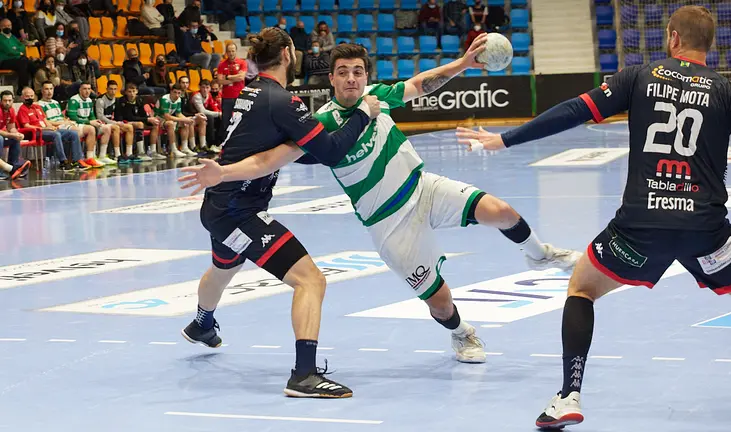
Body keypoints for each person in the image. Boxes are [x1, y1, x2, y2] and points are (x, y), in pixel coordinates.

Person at [455, 6, 731, 429]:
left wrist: (504, 139)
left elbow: (572, 111)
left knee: (582, 288)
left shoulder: (639, 76)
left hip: (639, 229)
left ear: (673, 37)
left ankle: (568, 396)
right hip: (707, 232)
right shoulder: (729, 92)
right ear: (708, 46)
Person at [178, 40, 582, 364]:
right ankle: (461, 333)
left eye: (358, 72)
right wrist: (223, 173)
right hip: (391, 225)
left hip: (424, 187)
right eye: (343, 73)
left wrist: (462, 63)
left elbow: (421, 84)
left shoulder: (379, 96)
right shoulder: (321, 125)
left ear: (365, 75)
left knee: (501, 211)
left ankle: (540, 254)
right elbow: (270, 160)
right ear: (332, 81)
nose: (352, 79)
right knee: (441, 304)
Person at [176, 27, 381, 398]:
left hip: (219, 206)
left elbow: (270, 149)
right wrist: (364, 114)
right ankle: (304, 376)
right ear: (288, 53)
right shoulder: (283, 101)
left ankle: (202, 325)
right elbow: (331, 152)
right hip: (240, 209)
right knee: (310, 280)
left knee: (225, 266)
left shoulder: (246, 91)